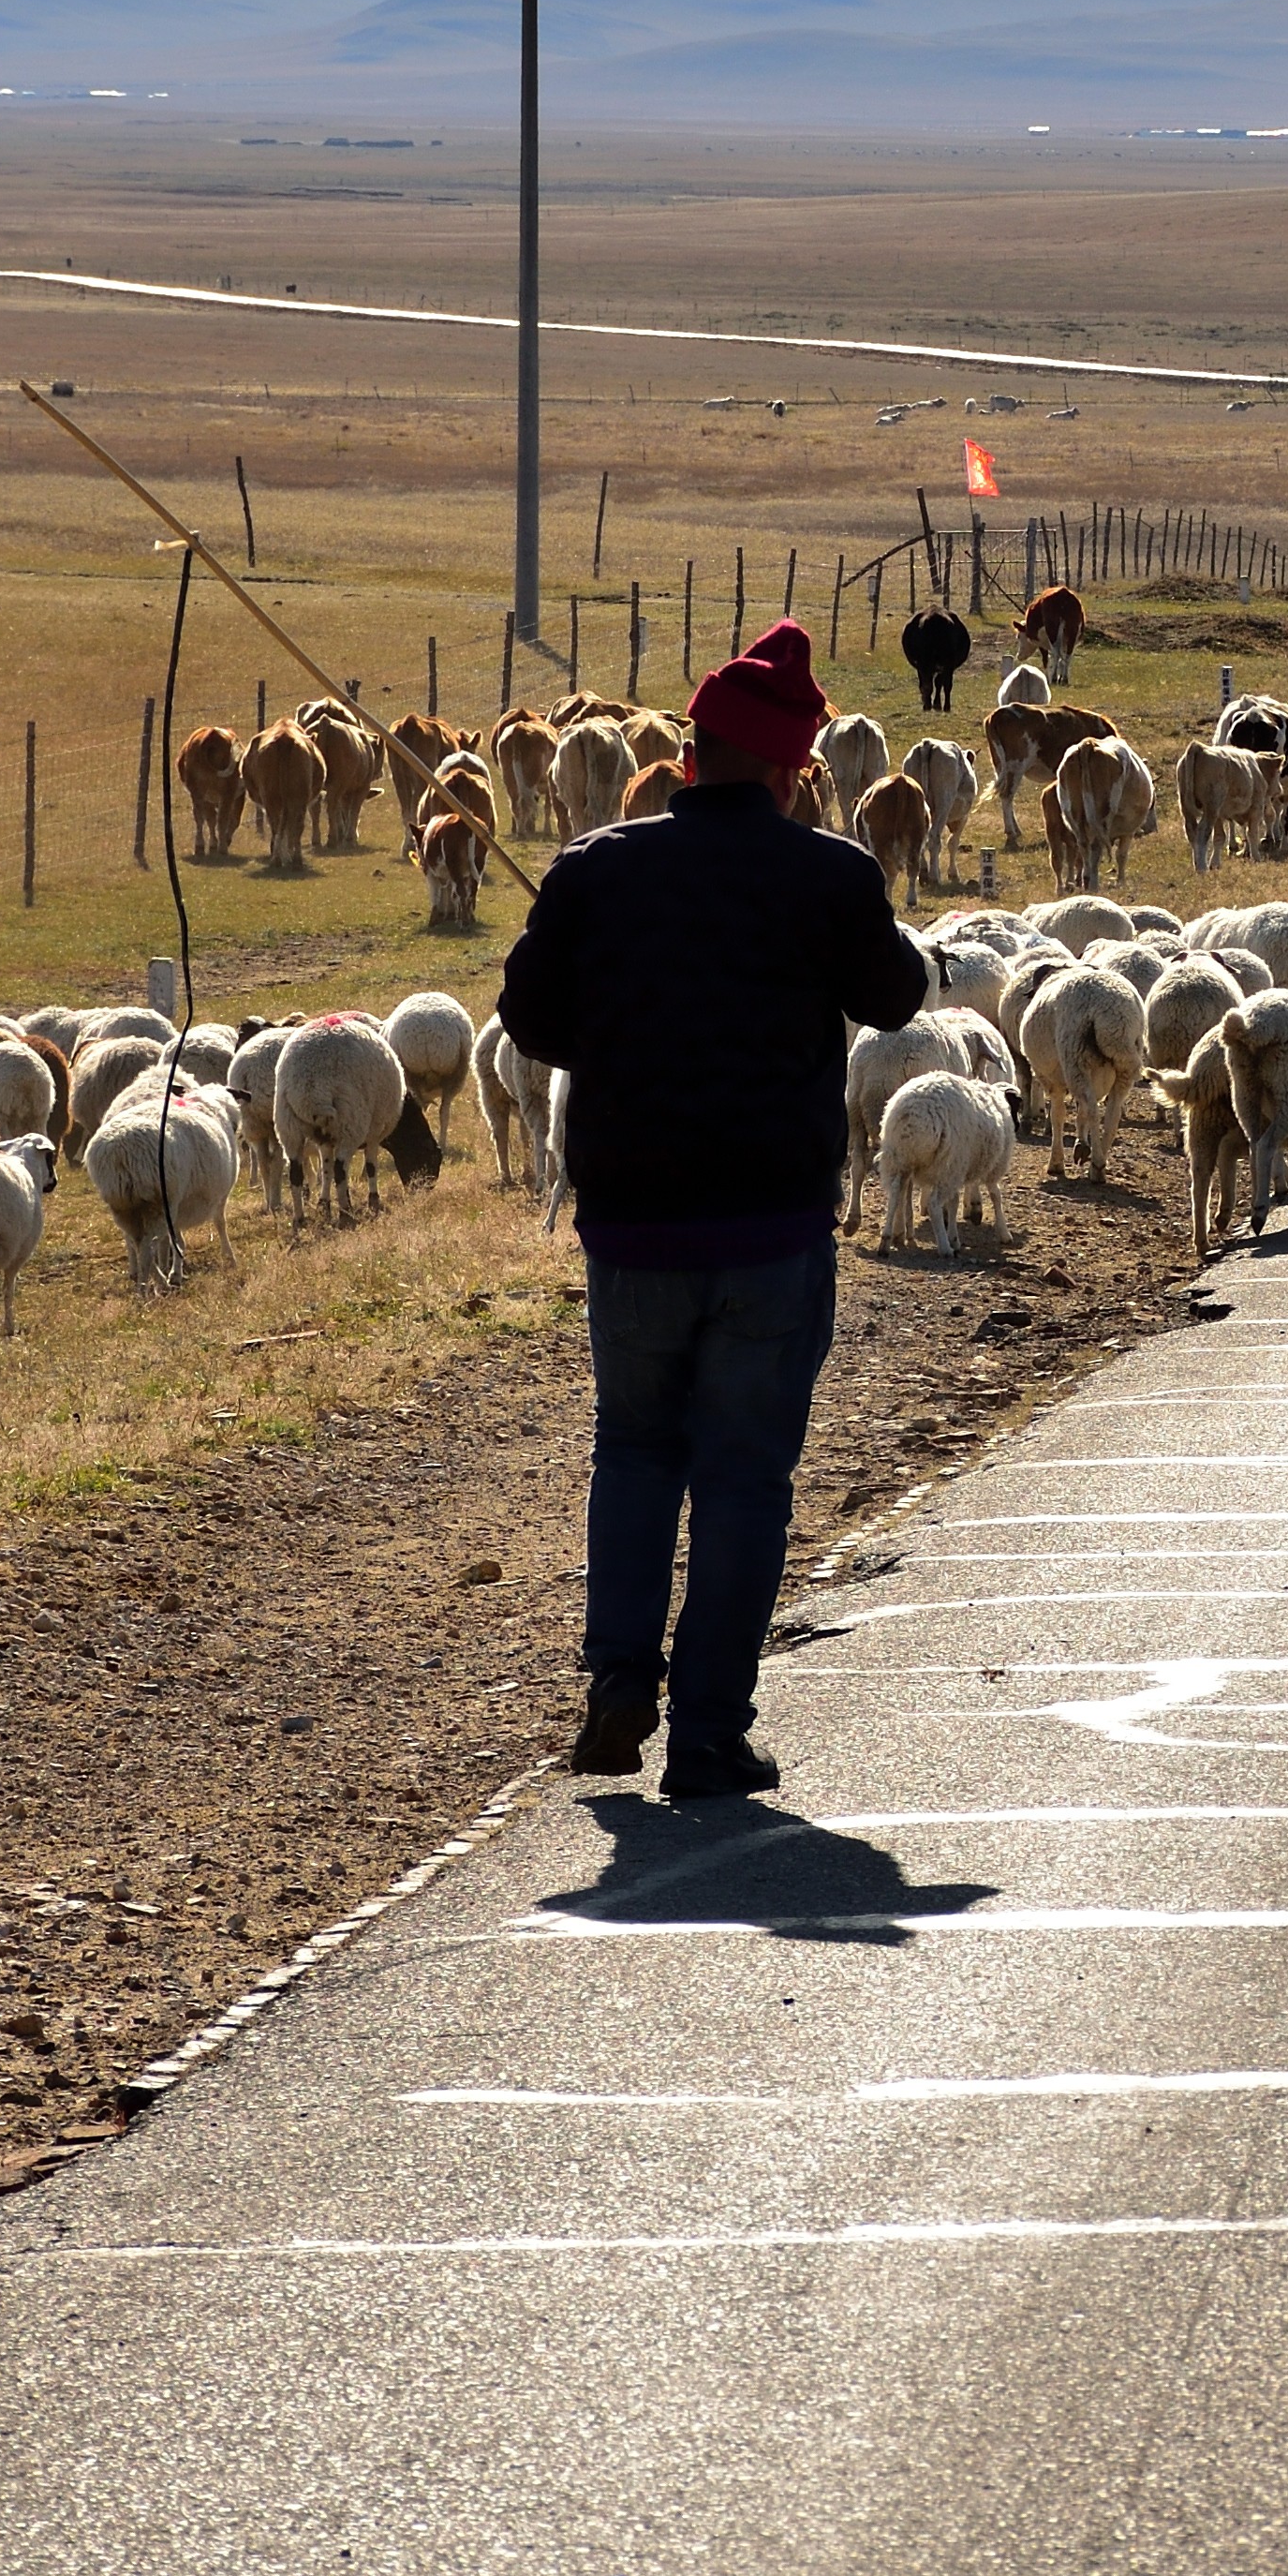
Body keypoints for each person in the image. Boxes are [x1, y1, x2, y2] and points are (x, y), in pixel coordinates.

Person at [496, 619, 928, 1800]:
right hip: (770, 1232)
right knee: (742, 1476)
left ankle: (619, 1679)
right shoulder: (830, 874)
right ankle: (708, 1735)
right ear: (791, 764)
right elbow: (897, 997)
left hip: (633, 1227)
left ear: (692, 749)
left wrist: (616, 996)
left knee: (635, 1448)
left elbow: (531, 1022)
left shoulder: (594, 867)